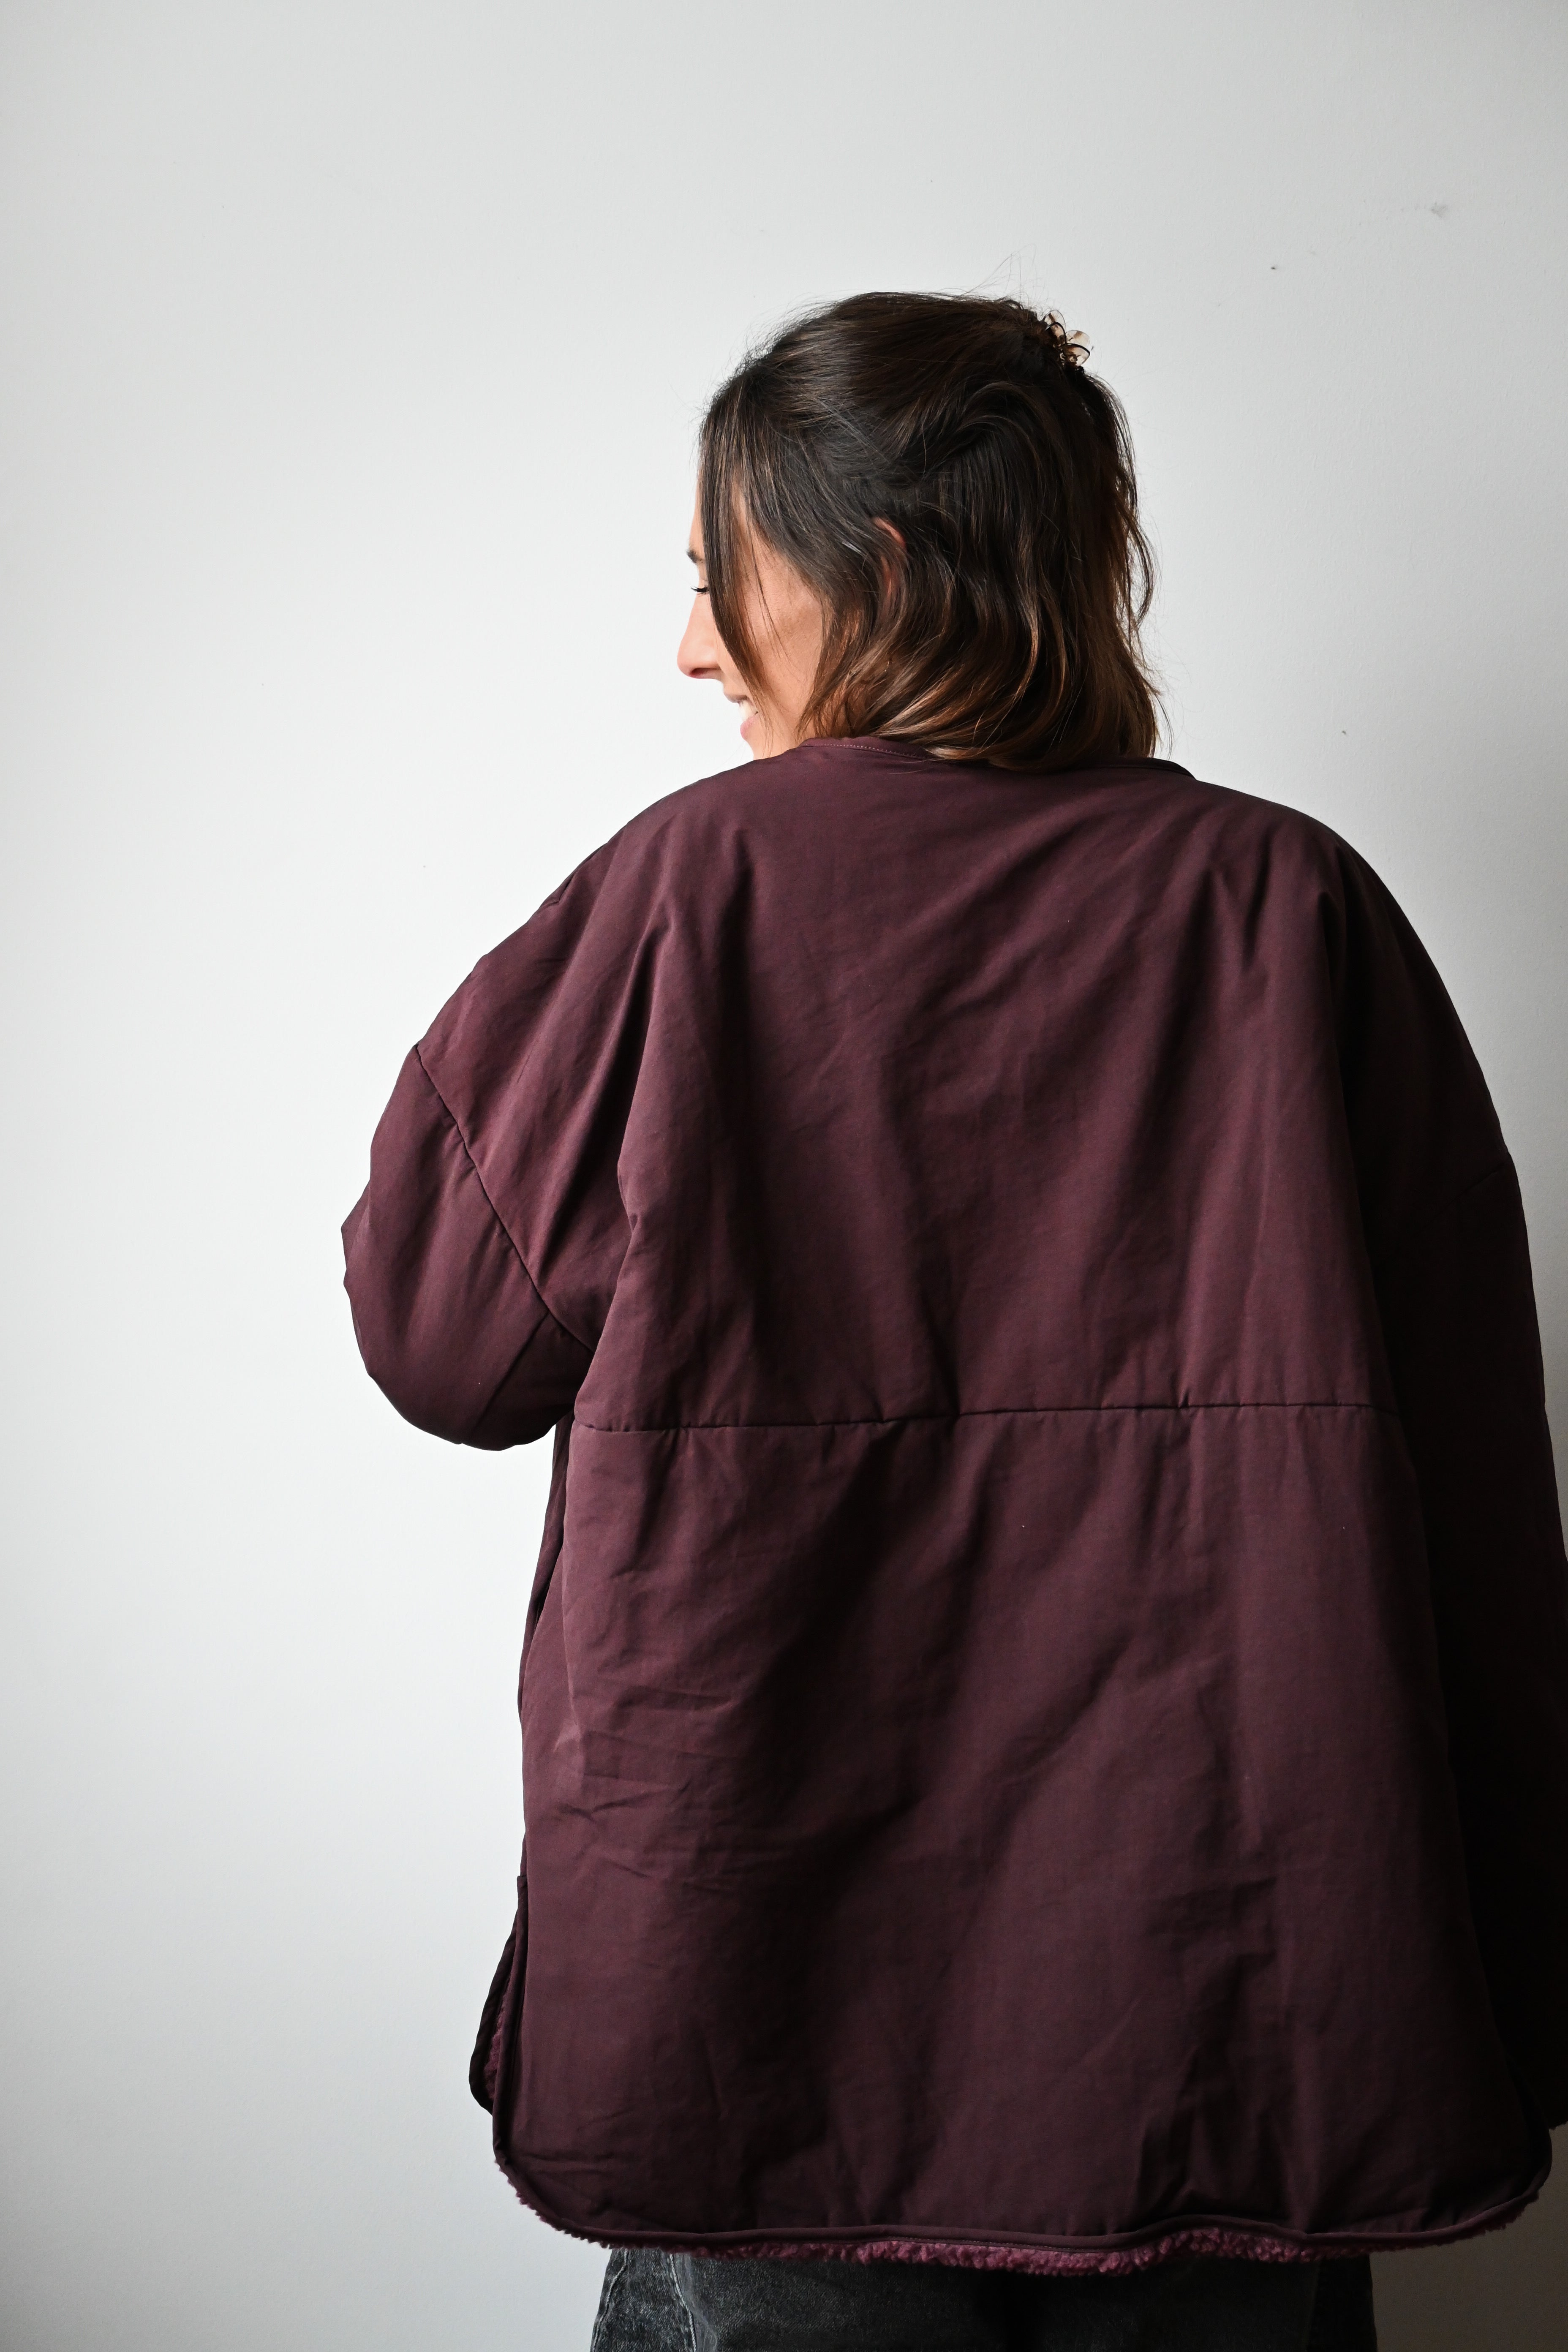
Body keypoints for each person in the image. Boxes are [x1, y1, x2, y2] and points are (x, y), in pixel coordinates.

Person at [341, 294, 1568, 2351]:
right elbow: (1483, 1539)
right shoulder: (1292, 911)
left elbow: (441, 1341)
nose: (691, 648)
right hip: (1232, 2004)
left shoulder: (682, 897)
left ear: (880, 570)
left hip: (772, 2001)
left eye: (719, 579)